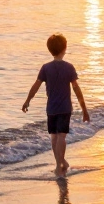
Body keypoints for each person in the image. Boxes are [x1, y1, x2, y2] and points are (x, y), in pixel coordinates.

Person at [22, 33, 89, 176]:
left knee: (54, 137)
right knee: (61, 137)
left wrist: (28, 100)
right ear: (65, 48)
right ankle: (60, 164)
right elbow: (76, 89)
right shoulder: (69, 67)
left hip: (51, 108)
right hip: (65, 108)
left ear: (49, 49)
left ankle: (60, 163)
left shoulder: (46, 68)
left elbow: (36, 85)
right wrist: (84, 109)